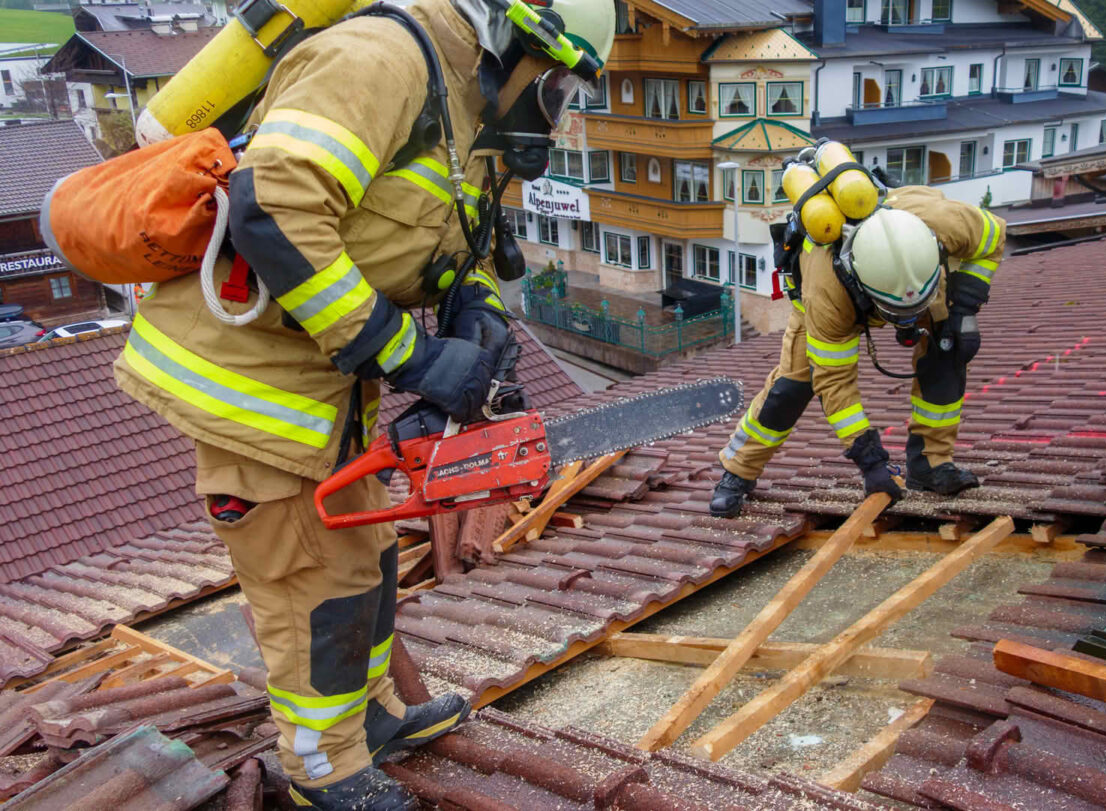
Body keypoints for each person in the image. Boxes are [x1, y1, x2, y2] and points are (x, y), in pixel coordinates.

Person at [112, 0, 613, 807]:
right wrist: (410, 354)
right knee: (312, 581)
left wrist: (476, 307)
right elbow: (274, 207)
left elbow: (453, 240)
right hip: (252, 379)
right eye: (555, 85)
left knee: (368, 560)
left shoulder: (465, 103)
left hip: (328, 382)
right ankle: (320, 765)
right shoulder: (382, 60)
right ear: (518, 36)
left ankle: (372, 716)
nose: (553, 107)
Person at [710, 185, 1005, 518]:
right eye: (899, 317)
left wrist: (965, 305)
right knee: (794, 385)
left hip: (919, 284)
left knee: (947, 351)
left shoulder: (944, 223)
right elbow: (834, 382)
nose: (907, 323)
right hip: (829, 302)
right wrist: (870, 461)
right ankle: (738, 470)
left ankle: (931, 465)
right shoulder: (827, 292)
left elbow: (994, 236)